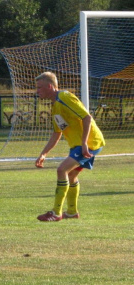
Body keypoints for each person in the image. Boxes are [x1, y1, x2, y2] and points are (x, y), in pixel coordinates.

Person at [34, 71, 105, 222]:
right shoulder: (55, 107)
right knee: (71, 175)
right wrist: (44, 154)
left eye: (39, 87)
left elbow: (87, 117)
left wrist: (85, 143)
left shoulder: (64, 97)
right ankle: (72, 212)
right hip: (79, 145)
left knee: (62, 170)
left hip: (90, 142)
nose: (37, 91)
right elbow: (57, 133)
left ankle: (56, 212)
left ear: (50, 86)